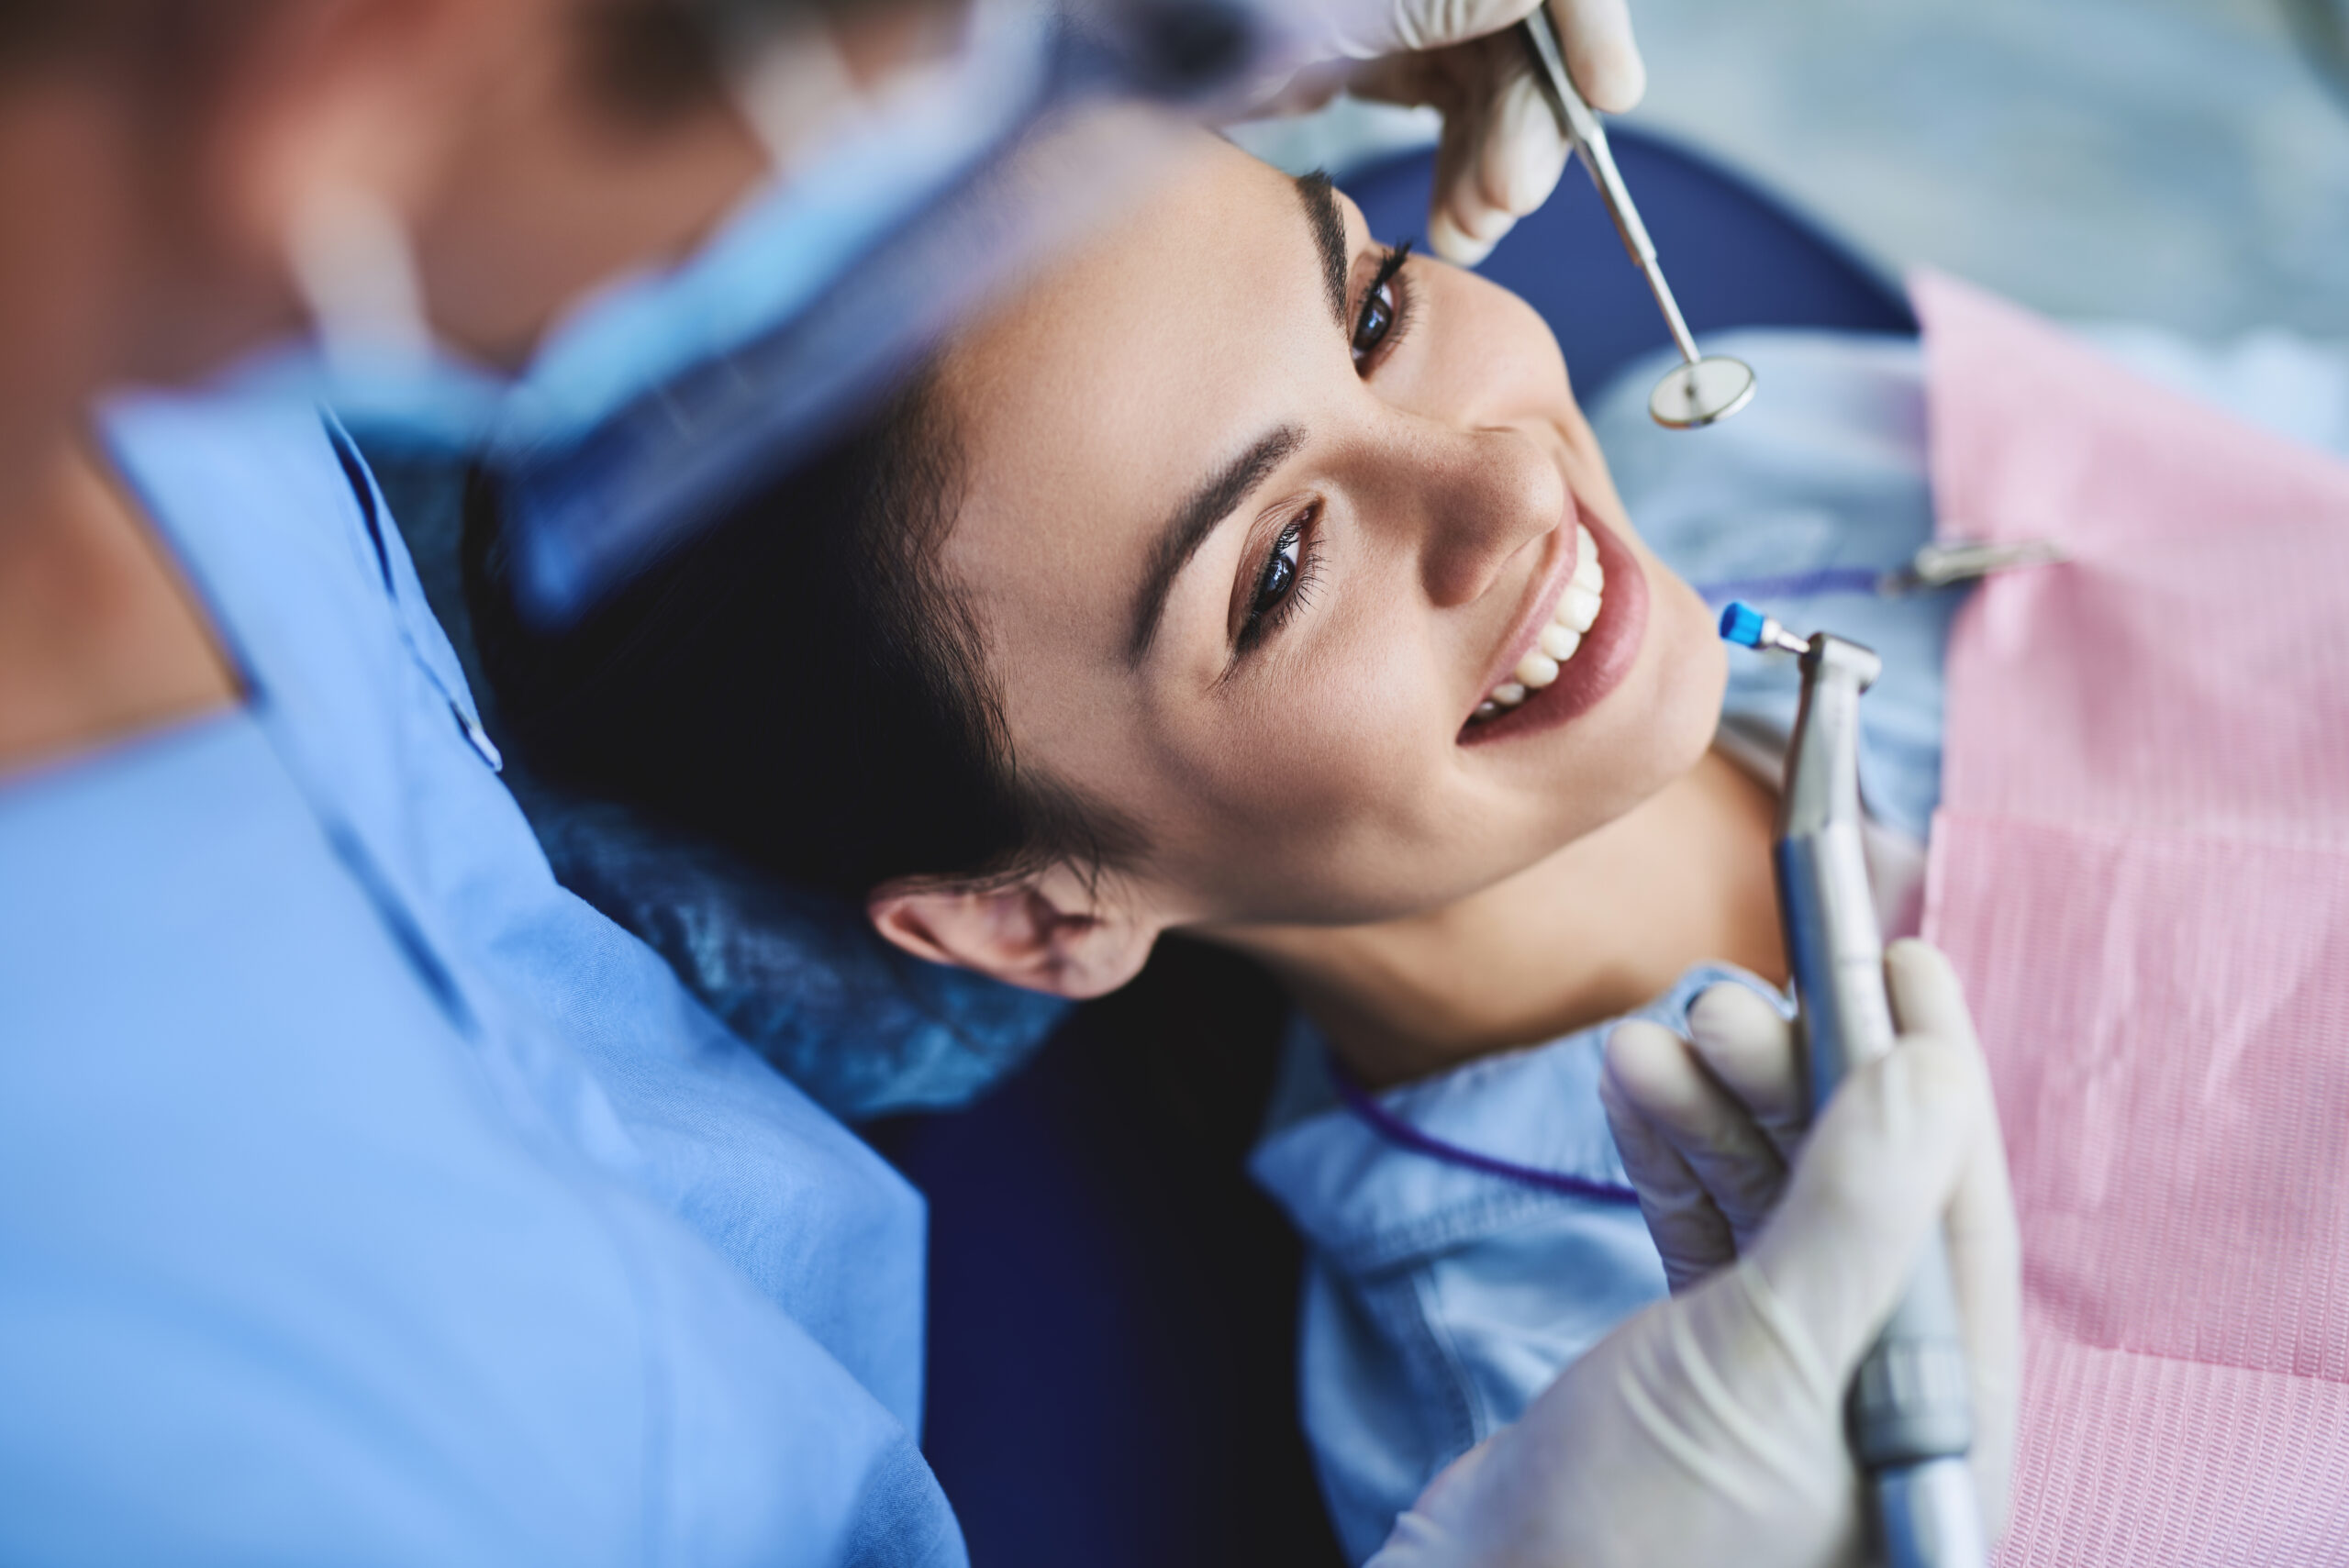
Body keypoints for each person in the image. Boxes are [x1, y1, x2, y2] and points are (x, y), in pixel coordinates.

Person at [0, 4, 2016, 1565]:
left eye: (1374, 296)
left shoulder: (1851, 467)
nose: (1498, 481)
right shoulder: (195, 1343)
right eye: (1276, 573)